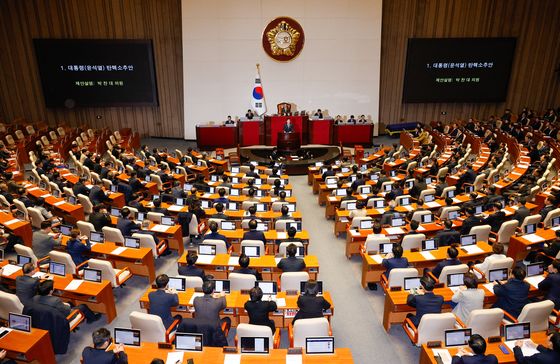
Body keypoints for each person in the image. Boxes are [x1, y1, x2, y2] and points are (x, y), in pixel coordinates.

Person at [33, 280, 100, 323]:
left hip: (49, 319)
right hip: (63, 319)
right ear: (50, 291)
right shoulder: (55, 300)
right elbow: (67, 310)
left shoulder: (35, 298)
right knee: (83, 306)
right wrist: (67, 306)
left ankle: (83, 316)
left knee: (70, 303)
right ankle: (93, 318)